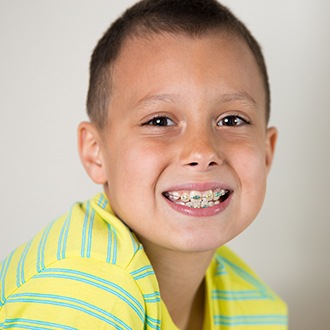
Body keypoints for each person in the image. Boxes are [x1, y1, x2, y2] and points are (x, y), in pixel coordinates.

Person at [0, 0, 288, 329]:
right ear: (96, 152)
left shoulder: (256, 304)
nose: (202, 150)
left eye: (232, 119)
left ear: (266, 152)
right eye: (160, 120)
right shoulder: (86, 295)